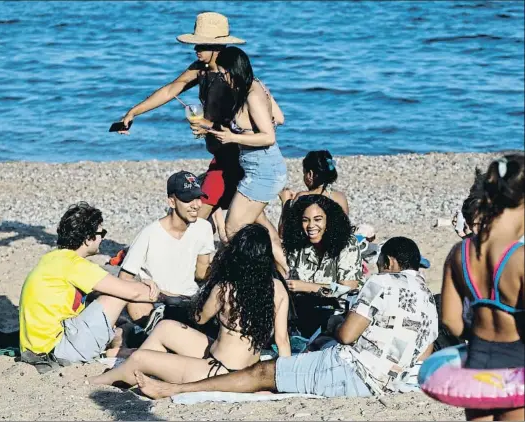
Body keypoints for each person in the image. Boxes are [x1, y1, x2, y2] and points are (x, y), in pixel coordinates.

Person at [128, 236, 438, 400]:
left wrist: (337, 324)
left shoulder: (381, 281)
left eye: (382, 263)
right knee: (282, 368)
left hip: (352, 372)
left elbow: (346, 337)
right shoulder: (426, 295)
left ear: (389, 261)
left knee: (263, 371)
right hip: (388, 382)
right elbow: (424, 352)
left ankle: (175, 390)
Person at [90, 224, 291, 387]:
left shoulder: (226, 288)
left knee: (140, 358)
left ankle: (107, 378)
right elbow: (282, 341)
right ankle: (135, 372)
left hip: (218, 371)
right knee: (165, 327)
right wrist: (287, 379)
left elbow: (199, 318)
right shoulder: (278, 289)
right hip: (244, 368)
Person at [117, 13, 249, 233]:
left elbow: (241, 123)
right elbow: (171, 89)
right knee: (238, 218)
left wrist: (207, 125)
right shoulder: (201, 68)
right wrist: (133, 112)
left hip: (237, 157)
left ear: (217, 46)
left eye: (201, 44)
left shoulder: (234, 75)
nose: (195, 48)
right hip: (219, 156)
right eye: (195, 43)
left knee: (199, 218)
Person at [18, 202, 159, 373]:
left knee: (114, 312)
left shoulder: (52, 259)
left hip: (38, 348)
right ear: (88, 239)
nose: (103, 238)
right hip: (58, 350)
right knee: (118, 294)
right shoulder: (74, 264)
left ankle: (114, 350)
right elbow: (133, 293)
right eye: (102, 233)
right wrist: (161, 294)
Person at [441, 153, 524, 421]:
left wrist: (479, 338)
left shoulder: (459, 253)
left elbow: (450, 321)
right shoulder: (520, 258)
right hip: (515, 365)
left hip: (477, 364)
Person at [200, 46, 288, 276]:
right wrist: (210, 128)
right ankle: (286, 272)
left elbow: (269, 136)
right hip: (258, 168)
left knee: (232, 229)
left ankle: (250, 276)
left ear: (232, 70)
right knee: (257, 225)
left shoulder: (252, 95)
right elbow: (280, 117)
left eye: (223, 73)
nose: (222, 78)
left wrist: (233, 137)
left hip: (264, 171)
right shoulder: (255, 85)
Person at [119, 170, 214, 331]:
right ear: (171, 202)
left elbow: (201, 274)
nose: (196, 205)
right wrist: (143, 283)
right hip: (157, 301)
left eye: (198, 197)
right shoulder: (149, 234)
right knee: (134, 301)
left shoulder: (204, 228)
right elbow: (123, 278)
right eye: (188, 199)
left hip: (190, 300)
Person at [282, 194, 363, 337]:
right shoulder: (298, 244)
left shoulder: (346, 244)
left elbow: (348, 289)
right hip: (302, 311)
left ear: (329, 221)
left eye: (317, 219)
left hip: (337, 316)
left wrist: (305, 286)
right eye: (305, 220)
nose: (311, 226)